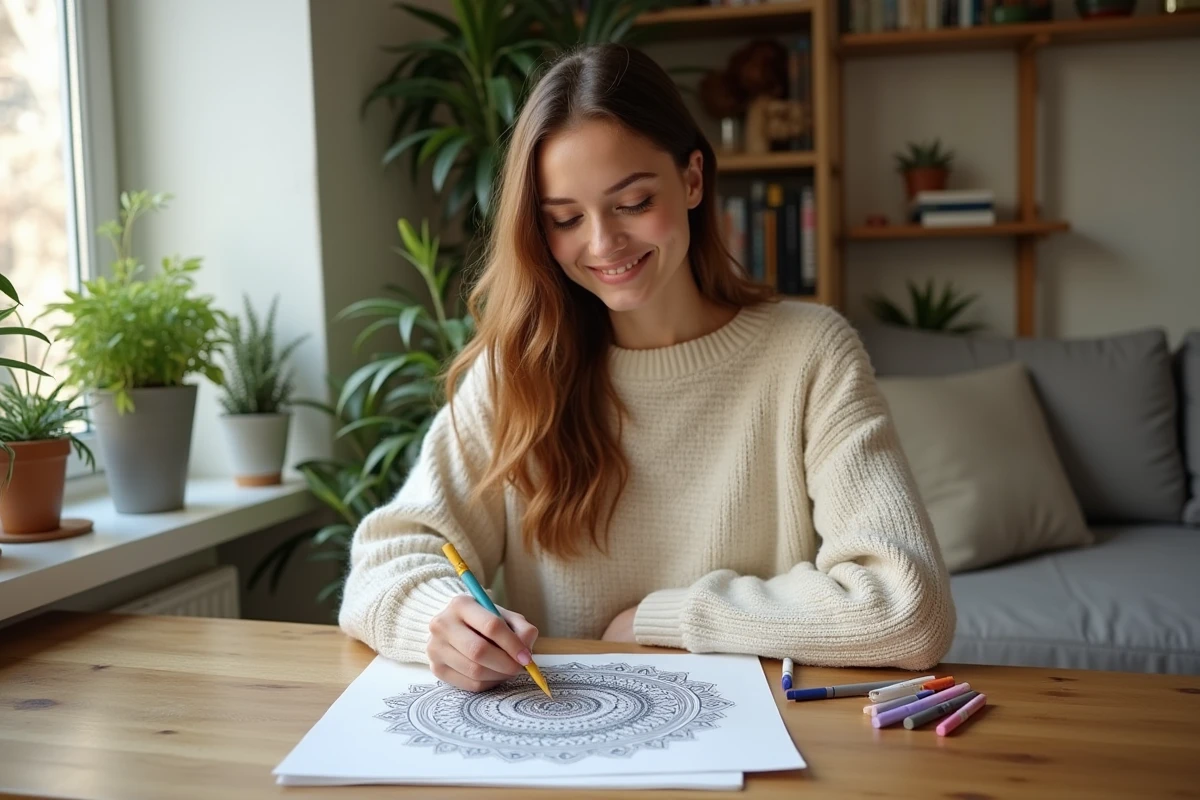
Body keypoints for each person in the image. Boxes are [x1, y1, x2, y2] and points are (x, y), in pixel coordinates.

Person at [338, 43, 954, 693]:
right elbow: (382, 565)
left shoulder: (810, 353)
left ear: (692, 179)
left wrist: (658, 620)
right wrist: (442, 620)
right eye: (566, 219)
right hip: (567, 747)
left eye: (632, 203)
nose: (603, 244)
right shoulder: (518, 369)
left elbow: (908, 609)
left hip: (765, 746)